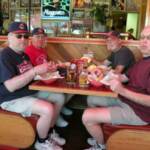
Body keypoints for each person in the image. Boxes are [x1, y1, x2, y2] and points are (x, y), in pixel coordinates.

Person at [82, 26, 150, 150]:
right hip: (127, 100)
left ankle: (102, 146)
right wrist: (104, 76)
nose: (144, 41)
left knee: (87, 116)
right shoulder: (143, 61)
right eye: (142, 37)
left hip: (140, 112)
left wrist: (122, 90)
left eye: (149, 38)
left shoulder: (126, 53)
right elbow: (124, 77)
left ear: (119, 40)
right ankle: (99, 132)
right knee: (91, 99)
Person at [0, 22, 65, 150]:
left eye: (26, 36)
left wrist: (46, 71)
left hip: (27, 91)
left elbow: (30, 76)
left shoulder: (23, 54)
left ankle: (49, 131)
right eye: (19, 36)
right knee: (47, 109)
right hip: (10, 98)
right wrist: (35, 71)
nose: (23, 39)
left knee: (59, 97)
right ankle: (42, 141)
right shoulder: (4, 56)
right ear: (9, 37)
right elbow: (10, 86)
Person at [25, 27, 73, 128]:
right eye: (37, 37)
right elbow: (30, 72)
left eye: (42, 37)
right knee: (61, 91)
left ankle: (60, 107)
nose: (40, 39)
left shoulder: (42, 49)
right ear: (31, 38)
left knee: (70, 85)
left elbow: (45, 65)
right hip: (36, 83)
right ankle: (57, 115)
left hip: (46, 79)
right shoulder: (28, 51)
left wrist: (55, 66)